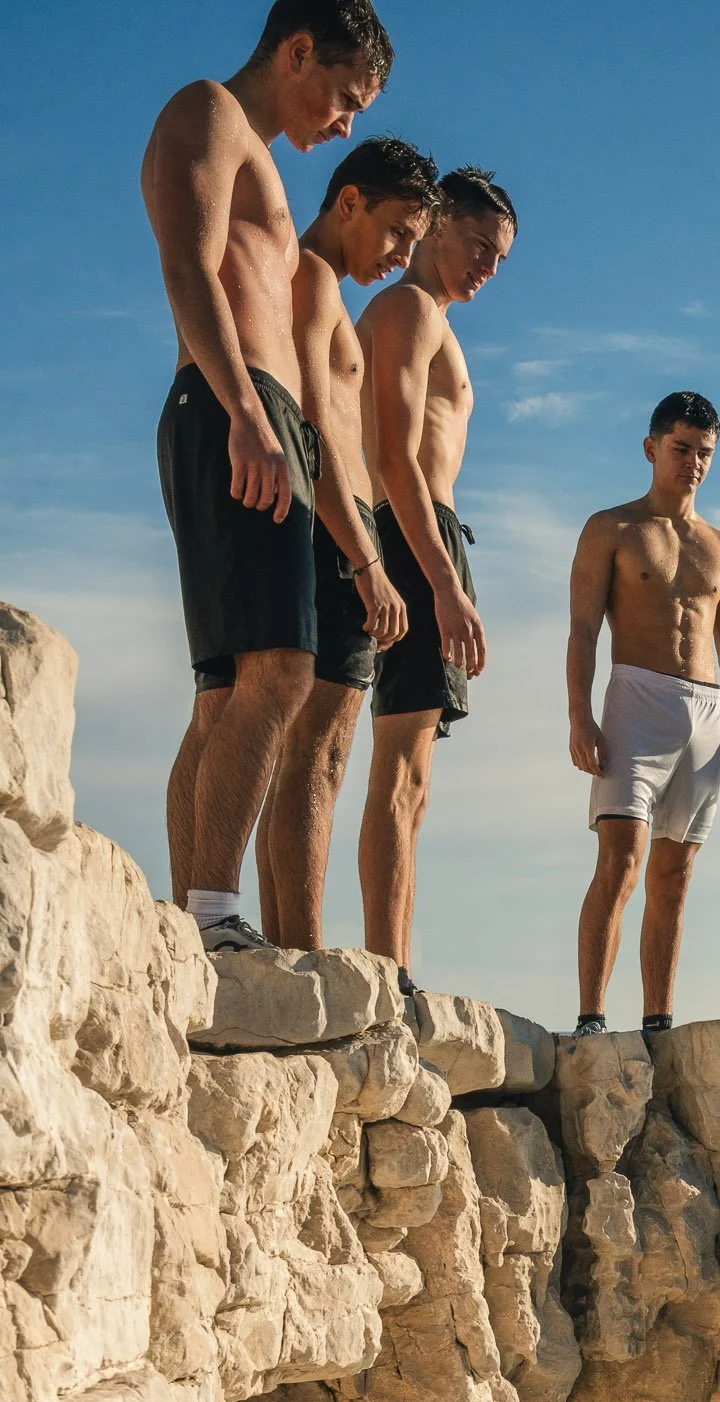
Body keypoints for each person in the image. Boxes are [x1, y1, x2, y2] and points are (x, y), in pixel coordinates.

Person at [142, 0, 392, 952]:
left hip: (250, 412)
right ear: (297, 51)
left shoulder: (257, 153)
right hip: (228, 406)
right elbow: (189, 267)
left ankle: (193, 917)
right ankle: (212, 912)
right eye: (344, 94)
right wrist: (247, 412)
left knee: (228, 690)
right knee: (282, 672)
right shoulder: (207, 112)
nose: (344, 123)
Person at [253, 136, 439, 950]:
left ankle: (294, 945)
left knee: (310, 746)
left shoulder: (315, 279)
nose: (403, 256)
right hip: (335, 531)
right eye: (398, 232)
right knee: (318, 748)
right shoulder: (314, 278)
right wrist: (368, 561)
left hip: (334, 527)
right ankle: (301, 952)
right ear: (350, 201)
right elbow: (317, 426)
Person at [567, 392, 720, 1037]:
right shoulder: (612, 529)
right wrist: (579, 714)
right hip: (635, 699)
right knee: (621, 860)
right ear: (652, 447)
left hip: (705, 713)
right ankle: (592, 1018)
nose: (693, 463)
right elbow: (582, 629)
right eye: (682, 449)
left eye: (705, 453)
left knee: (675, 874)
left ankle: (658, 1019)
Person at [355, 165, 514, 990]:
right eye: (479, 244)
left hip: (429, 537)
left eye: (500, 256)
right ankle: (389, 969)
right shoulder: (410, 310)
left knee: (415, 776)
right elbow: (394, 455)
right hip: (411, 537)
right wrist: (442, 582)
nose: (488, 264)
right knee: (399, 766)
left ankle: (399, 965)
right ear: (438, 224)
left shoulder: (432, 321)